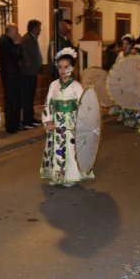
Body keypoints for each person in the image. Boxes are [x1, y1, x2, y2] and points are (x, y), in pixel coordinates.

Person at [40, 47, 94, 187]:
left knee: (69, 150)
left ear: (72, 68)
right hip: (56, 124)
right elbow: (48, 104)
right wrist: (48, 121)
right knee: (55, 149)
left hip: (71, 124)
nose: (63, 71)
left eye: (66, 67)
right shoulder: (53, 85)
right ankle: (57, 175)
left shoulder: (76, 86)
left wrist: (82, 123)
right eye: (60, 67)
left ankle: (70, 176)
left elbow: (83, 106)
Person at [0, 23, 22, 133]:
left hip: (14, 75)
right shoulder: (5, 42)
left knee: (16, 100)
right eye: (15, 31)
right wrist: (18, 45)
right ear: (10, 31)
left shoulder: (9, 41)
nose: (17, 33)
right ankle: (11, 126)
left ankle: (16, 123)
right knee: (10, 101)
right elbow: (16, 56)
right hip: (9, 76)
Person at [20, 19, 43, 128]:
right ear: (34, 29)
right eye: (39, 28)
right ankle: (27, 120)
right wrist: (27, 61)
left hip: (33, 72)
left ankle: (31, 117)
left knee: (31, 96)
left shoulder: (33, 39)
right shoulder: (27, 39)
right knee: (27, 96)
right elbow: (22, 53)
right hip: (27, 73)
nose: (40, 30)